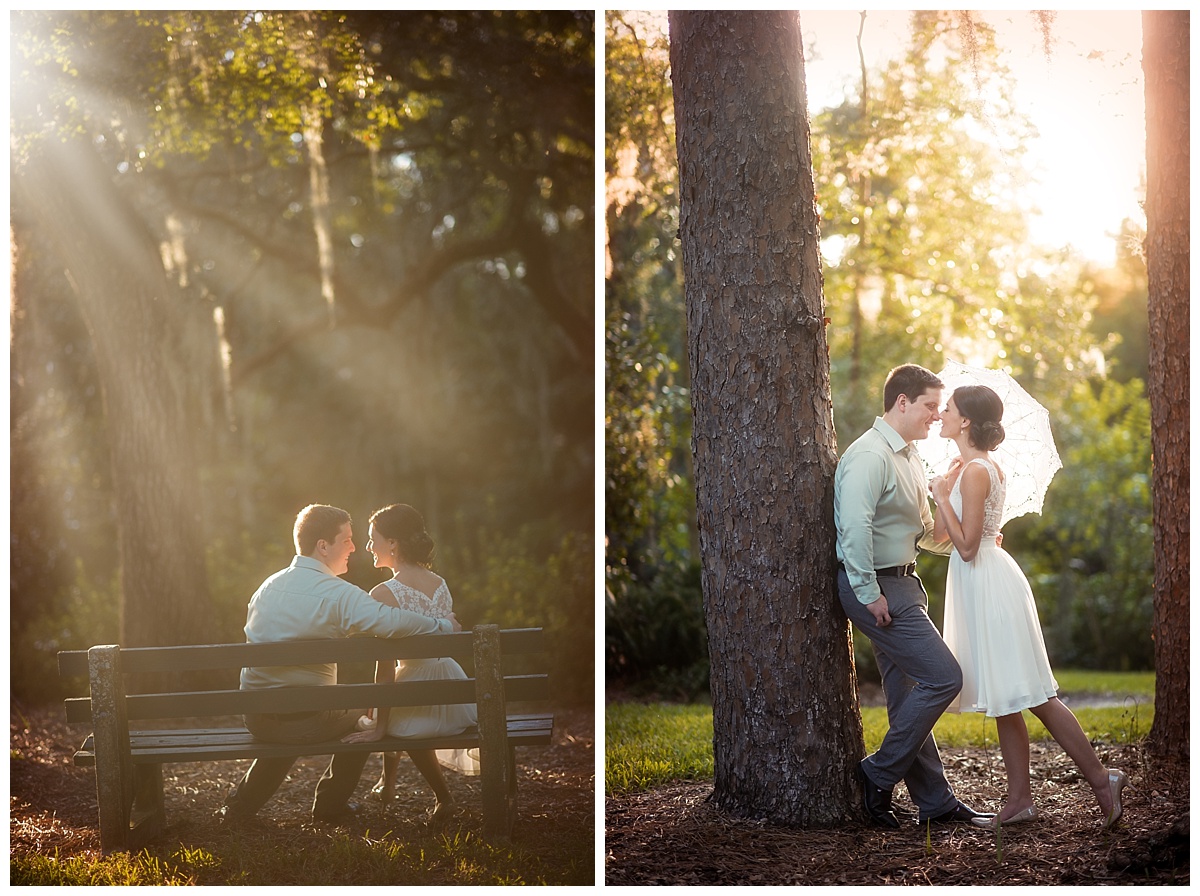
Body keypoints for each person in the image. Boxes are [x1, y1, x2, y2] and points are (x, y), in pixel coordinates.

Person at [929, 385, 1128, 830]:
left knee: (1035, 694)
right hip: (978, 583)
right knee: (1008, 698)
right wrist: (943, 486)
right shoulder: (964, 468)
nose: (941, 413)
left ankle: (1102, 778)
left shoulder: (979, 470)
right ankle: (1019, 801)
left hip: (990, 585)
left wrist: (944, 496)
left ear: (964, 421)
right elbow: (943, 536)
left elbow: (964, 548)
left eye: (948, 409)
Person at [216, 504, 461, 826]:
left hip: (257, 717)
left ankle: (239, 808)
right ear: (323, 546)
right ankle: (330, 805)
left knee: (294, 710)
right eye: (346, 539)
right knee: (364, 719)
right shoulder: (338, 594)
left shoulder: (266, 587)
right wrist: (443, 626)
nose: (354, 547)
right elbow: (389, 622)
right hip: (304, 721)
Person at [835, 363, 990, 829]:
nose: (935, 416)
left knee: (906, 697)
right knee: (944, 677)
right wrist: (868, 592)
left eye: (939, 408)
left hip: (903, 584)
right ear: (901, 401)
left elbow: (922, 533)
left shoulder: (909, 458)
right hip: (877, 587)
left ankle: (936, 802)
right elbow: (854, 527)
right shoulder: (869, 455)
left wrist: (978, 536)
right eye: (929, 406)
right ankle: (877, 773)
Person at [340, 504, 477, 826]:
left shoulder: (383, 593)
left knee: (395, 714)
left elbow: (386, 668)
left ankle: (444, 798)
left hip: (416, 686)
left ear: (393, 543)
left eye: (373, 539)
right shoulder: (439, 582)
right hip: (452, 684)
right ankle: (387, 785)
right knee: (397, 703)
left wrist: (380, 727)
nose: (369, 546)